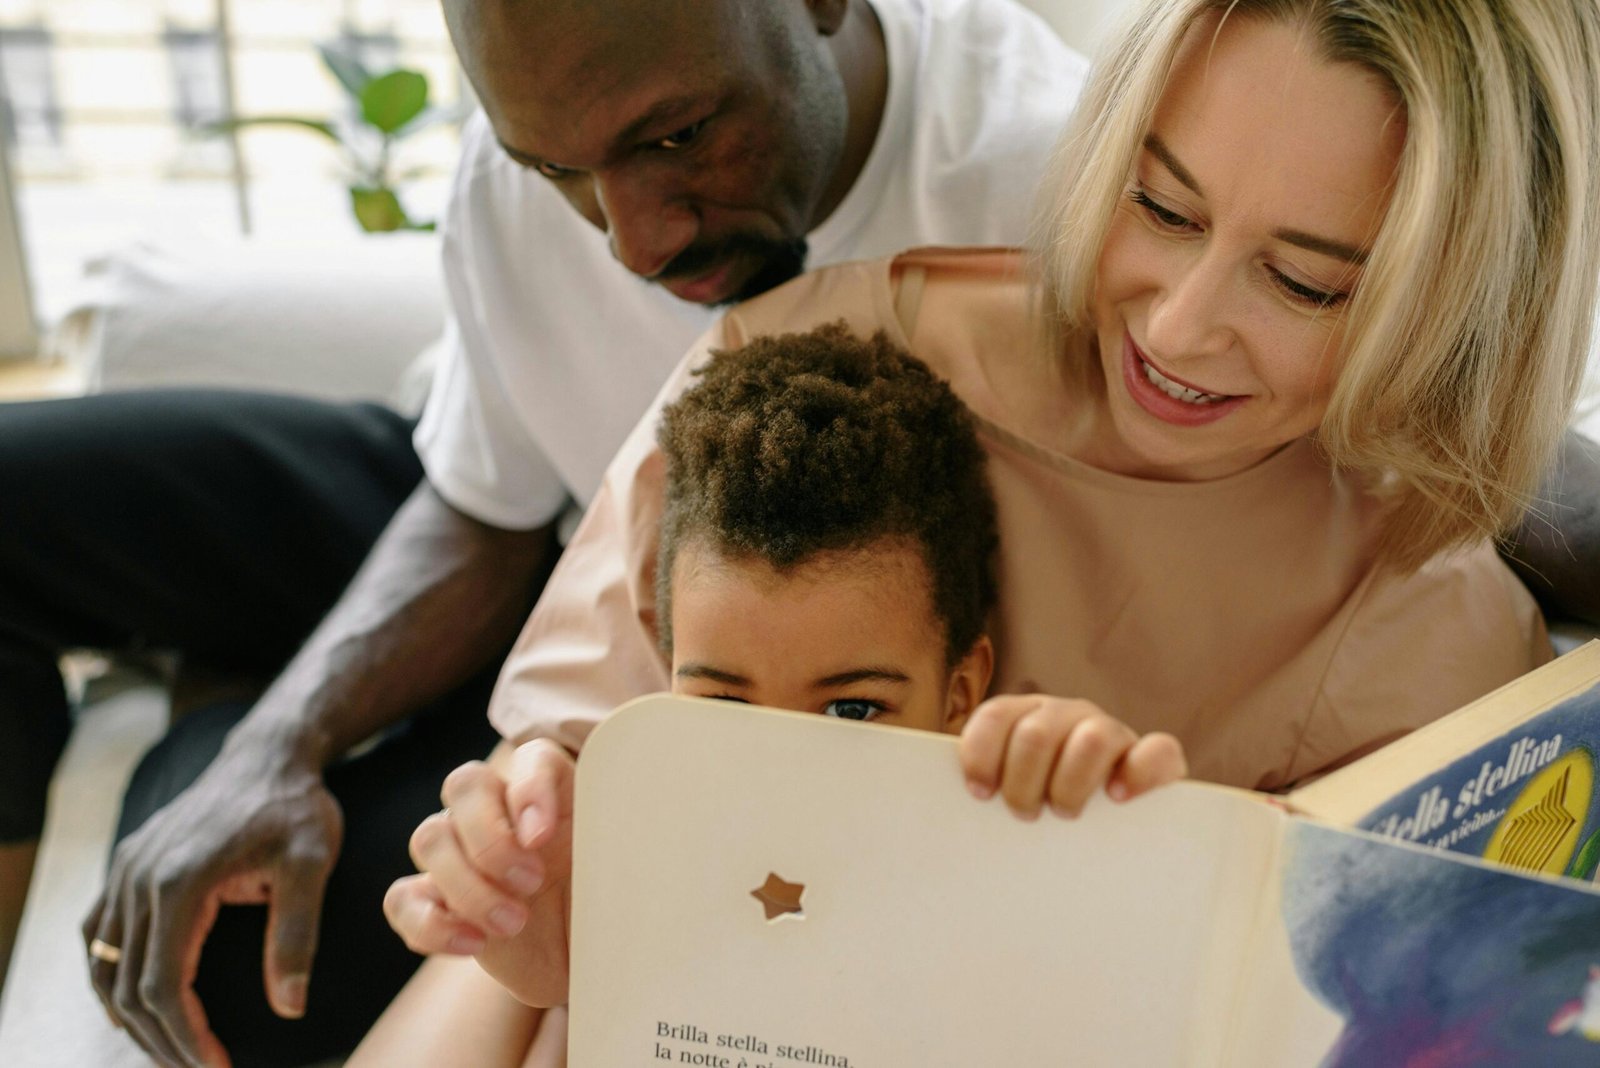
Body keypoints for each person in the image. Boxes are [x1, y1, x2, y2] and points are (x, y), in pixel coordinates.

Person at [386, 0, 1600, 1061]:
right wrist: (525, 859)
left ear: (1453, 297)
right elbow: (568, 813)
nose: (1176, 329)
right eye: (1161, 206)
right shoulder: (812, 365)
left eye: (1304, 282)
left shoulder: (1430, 619)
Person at [0, 1, 1088, 1065]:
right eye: (556, 170)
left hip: (674, 662)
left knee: (219, 952)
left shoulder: (1056, 189)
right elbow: (486, 499)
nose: (634, 243)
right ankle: (229, 712)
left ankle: (200, 706)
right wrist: (275, 746)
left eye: (679, 136)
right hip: (510, 544)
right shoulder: (531, 149)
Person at [370, 323, 1186, 1056]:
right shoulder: (621, 879)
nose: (781, 773)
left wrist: (1090, 850)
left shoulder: (1012, 877)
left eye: (852, 709)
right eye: (725, 705)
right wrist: (557, 968)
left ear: (960, 690)